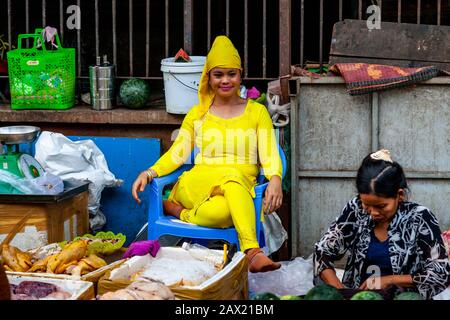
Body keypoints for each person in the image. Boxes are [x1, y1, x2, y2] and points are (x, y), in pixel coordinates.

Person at [132, 36, 283, 273]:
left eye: (231, 74)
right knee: (232, 179)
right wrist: (150, 172)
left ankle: (178, 211)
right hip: (198, 185)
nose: (225, 80)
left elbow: (269, 152)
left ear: (240, 74)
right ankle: (252, 251)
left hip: (237, 189)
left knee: (224, 211)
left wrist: (275, 178)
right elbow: (177, 154)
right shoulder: (197, 113)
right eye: (218, 74)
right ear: (208, 78)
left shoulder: (257, 112)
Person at [314, 149, 450, 299]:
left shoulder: (420, 218)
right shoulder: (355, 209)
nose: (373, 212)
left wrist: (390, 280)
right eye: (367, 204)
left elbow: (440, 273)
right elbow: (322, 252)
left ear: (399, 195)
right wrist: (339, 291)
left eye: (381, 206)